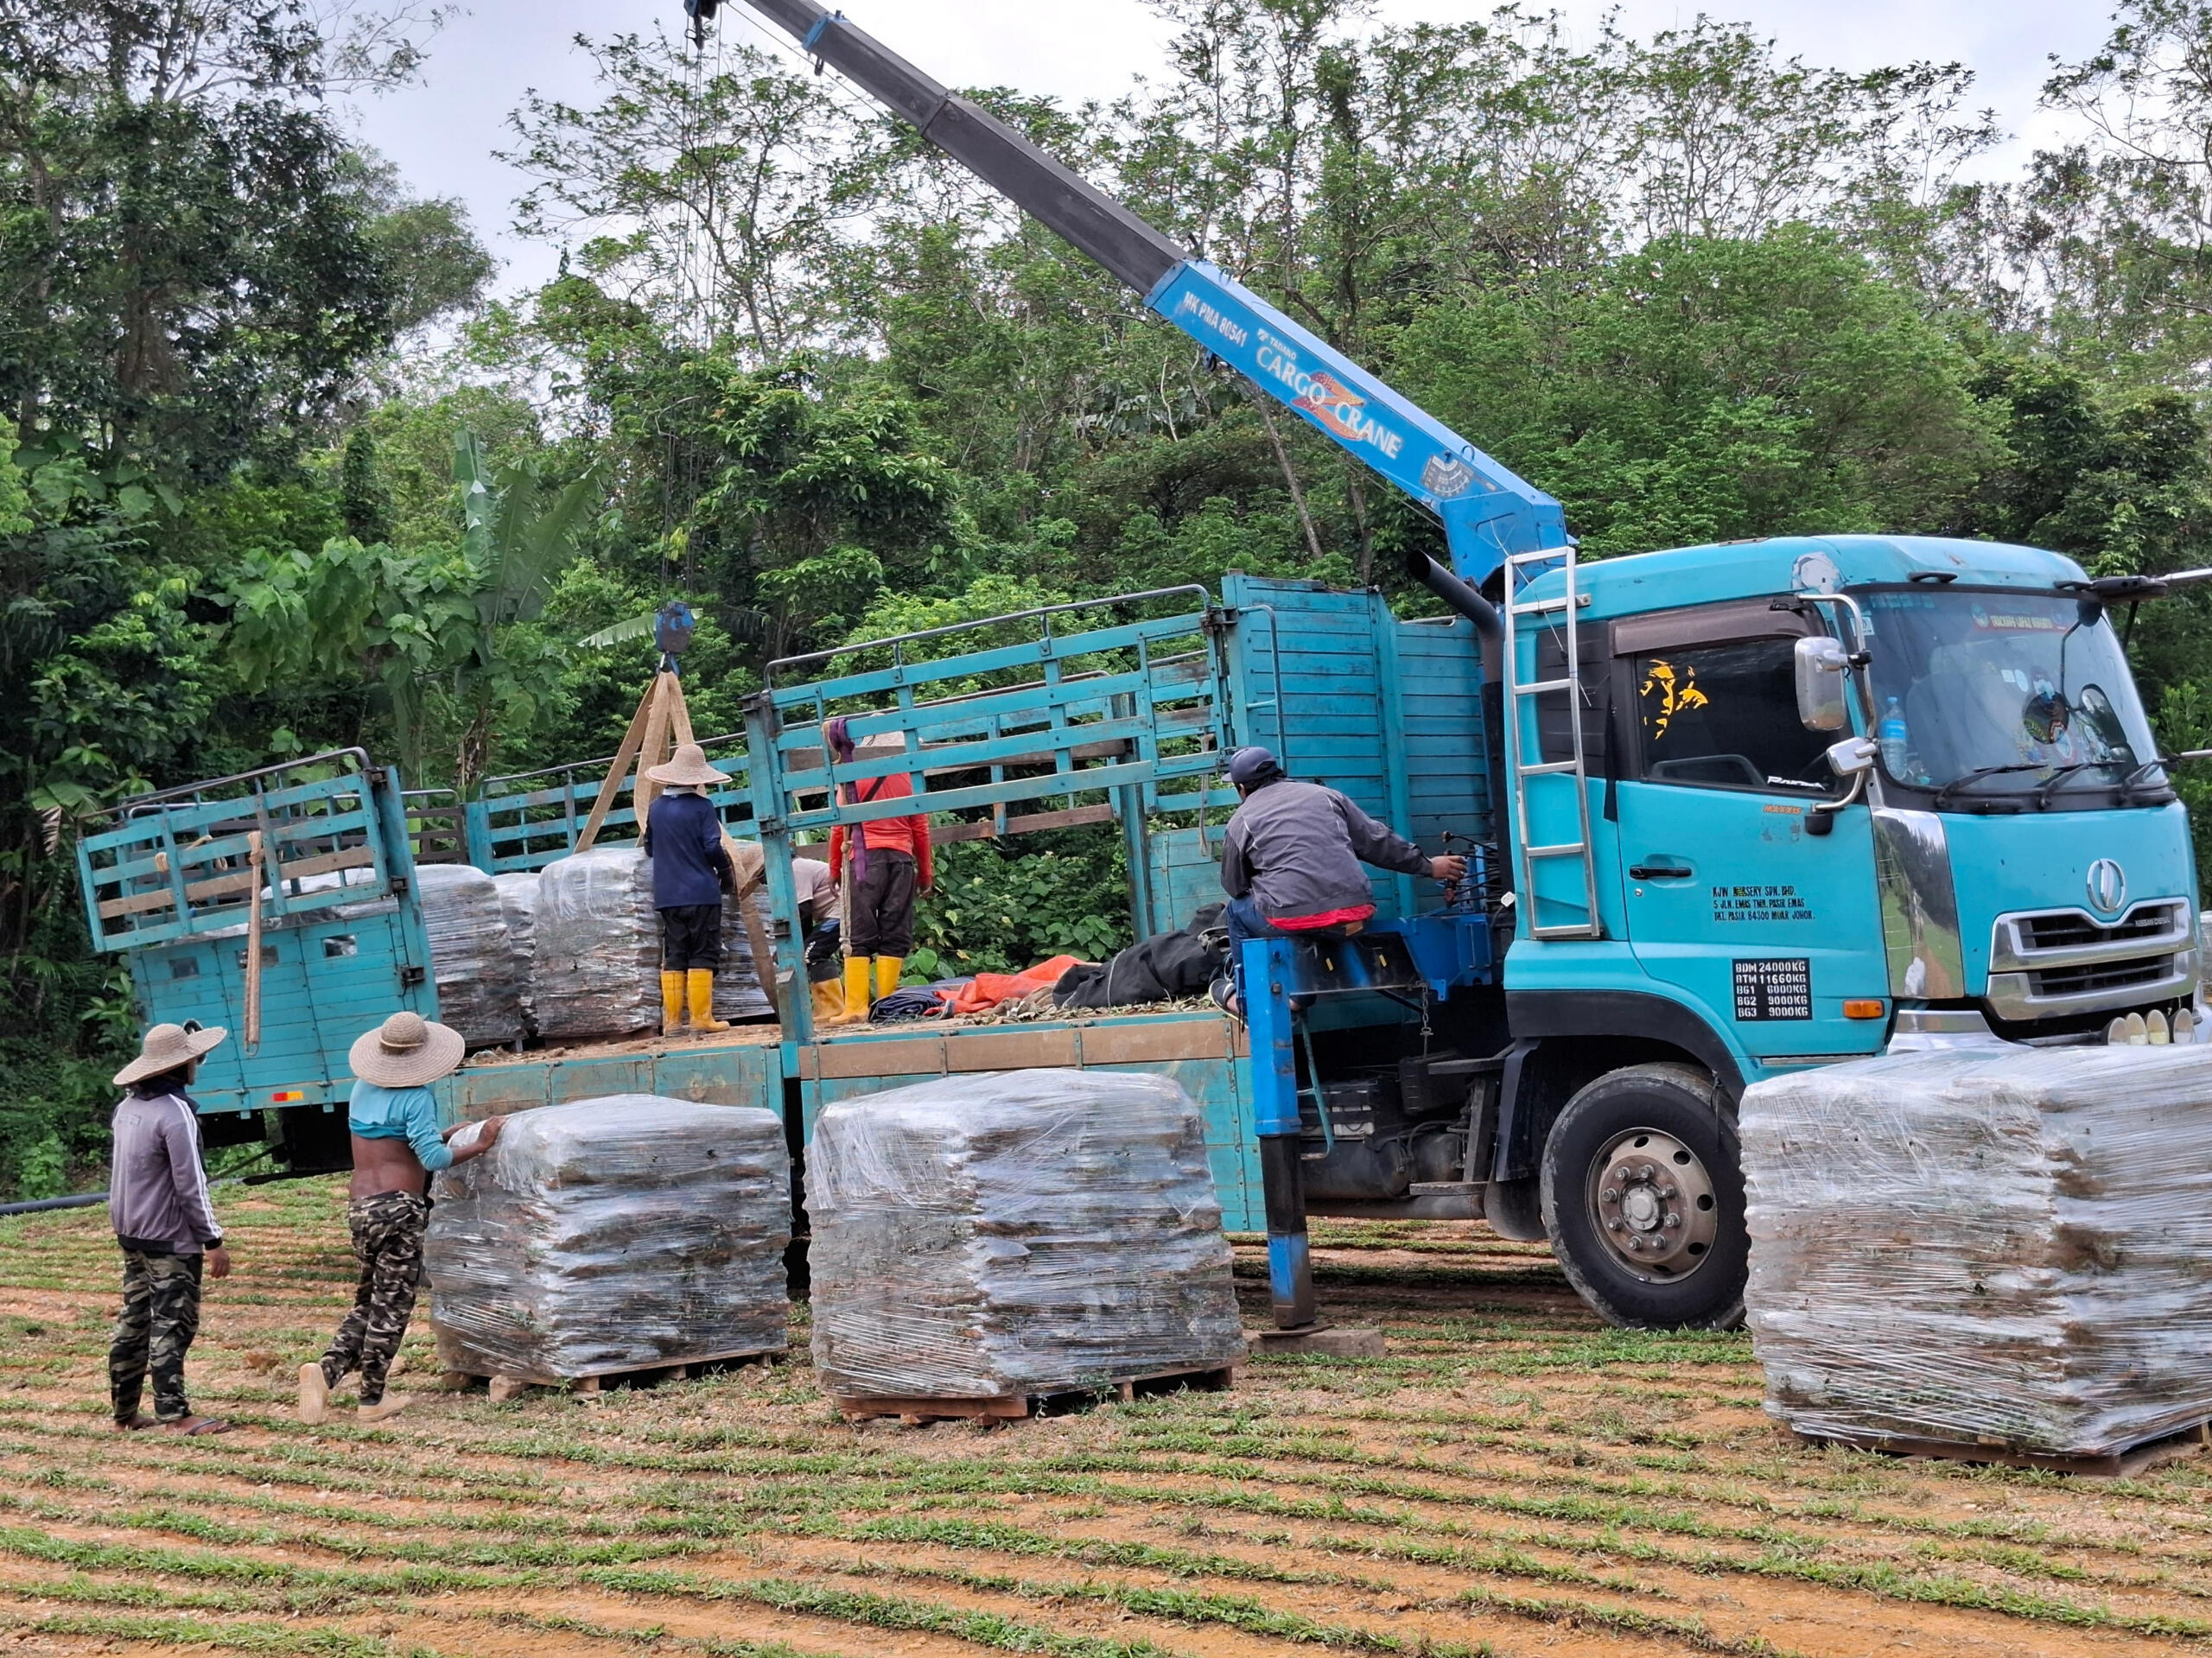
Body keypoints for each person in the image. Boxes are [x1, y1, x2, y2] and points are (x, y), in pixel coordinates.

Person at [299, 1011, 505, 1425]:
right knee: (392, 1305)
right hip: (398, 1208)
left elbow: (391, 1141)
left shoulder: (362, 1089)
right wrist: (479, 1144)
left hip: (361, 1207)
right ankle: (372, 1398)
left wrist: (441, 1133)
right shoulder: (416, 1096)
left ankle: (327, 1371)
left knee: (368, 1301)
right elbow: (433, 1159)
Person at [1212, 746, 1467, 1017]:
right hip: (1355, 918)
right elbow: (1377, 842)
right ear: (1279, 772)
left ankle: (1246, 1000)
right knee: (1319, 927)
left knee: (1236, 911)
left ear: (1241, 788)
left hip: (1294, 923)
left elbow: (1234, 886)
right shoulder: (1326, 796)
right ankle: (1297, 1000)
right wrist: (1428, 866)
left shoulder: (1241, 820)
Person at [107, 1021, 234, 1435]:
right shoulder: (176, 1112)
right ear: (182, 1065)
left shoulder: (127, 1108)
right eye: (194, 1057)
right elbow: (190, 1184)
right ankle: (175, 1416)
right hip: (169, 1237)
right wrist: (212, 1239)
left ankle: (124, 1415)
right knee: (173, 1322)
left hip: (131, 1233)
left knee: (135, 1320)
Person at [823, 718, 932, 1021]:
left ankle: (856, 1008)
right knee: (895, 931)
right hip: (901, 861)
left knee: (858, 932)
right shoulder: (910, 775)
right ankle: (886, 1006)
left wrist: (834, 868)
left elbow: (838, 827)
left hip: (863, 861)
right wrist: (925, 872)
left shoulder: (851, 775)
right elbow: (920, 828)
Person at [642, 741, 736, 1036]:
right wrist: (725, 869)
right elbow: (712, 845)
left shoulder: (655, 808)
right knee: (703, 952)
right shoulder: (701, 807)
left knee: (675, 953)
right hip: (701, 891)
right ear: (697, 779)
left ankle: (672, 1022)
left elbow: (649, 848)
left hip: (667, 895)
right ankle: (701, 1019)